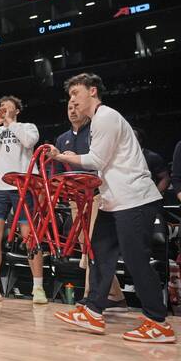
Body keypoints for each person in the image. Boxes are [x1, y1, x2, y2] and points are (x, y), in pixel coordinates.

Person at [50, 73, 176, 343]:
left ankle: (158, 322)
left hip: (135, 199)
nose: (72, 99)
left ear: (92, 91)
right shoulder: (98, 120)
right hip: (114, 200)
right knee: (99, 252)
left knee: (135, 260)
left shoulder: (105, 116)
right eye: (69, 95)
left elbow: (97, 159)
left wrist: (62, 156)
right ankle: (94, 311)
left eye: (76, 93)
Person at [55, 100, 127, 311]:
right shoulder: (62, 139)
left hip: (96, 194)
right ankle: (115, 295)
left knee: (91, 243)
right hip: (73, 198)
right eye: (69, 108)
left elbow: (99, 161)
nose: (73, 111)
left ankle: (91, 296)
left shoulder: (94, 132)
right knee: (83, 242)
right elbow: (57, 169)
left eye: (76, 107)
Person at [0, 96, 47, 304]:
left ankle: (38, 287)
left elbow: (28, 141)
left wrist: (10, 123)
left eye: (8, 106)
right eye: (1, 106)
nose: (4, 109)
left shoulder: (27, 127)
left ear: (17, 110)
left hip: (23, 187)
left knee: (29, 236)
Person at [133, 128, 170, 194]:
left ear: (140, 140)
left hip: (145, 198)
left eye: (133, 137)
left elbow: (165, 178)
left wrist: (154, 195)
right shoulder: (119, 157)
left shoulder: (152, 157)